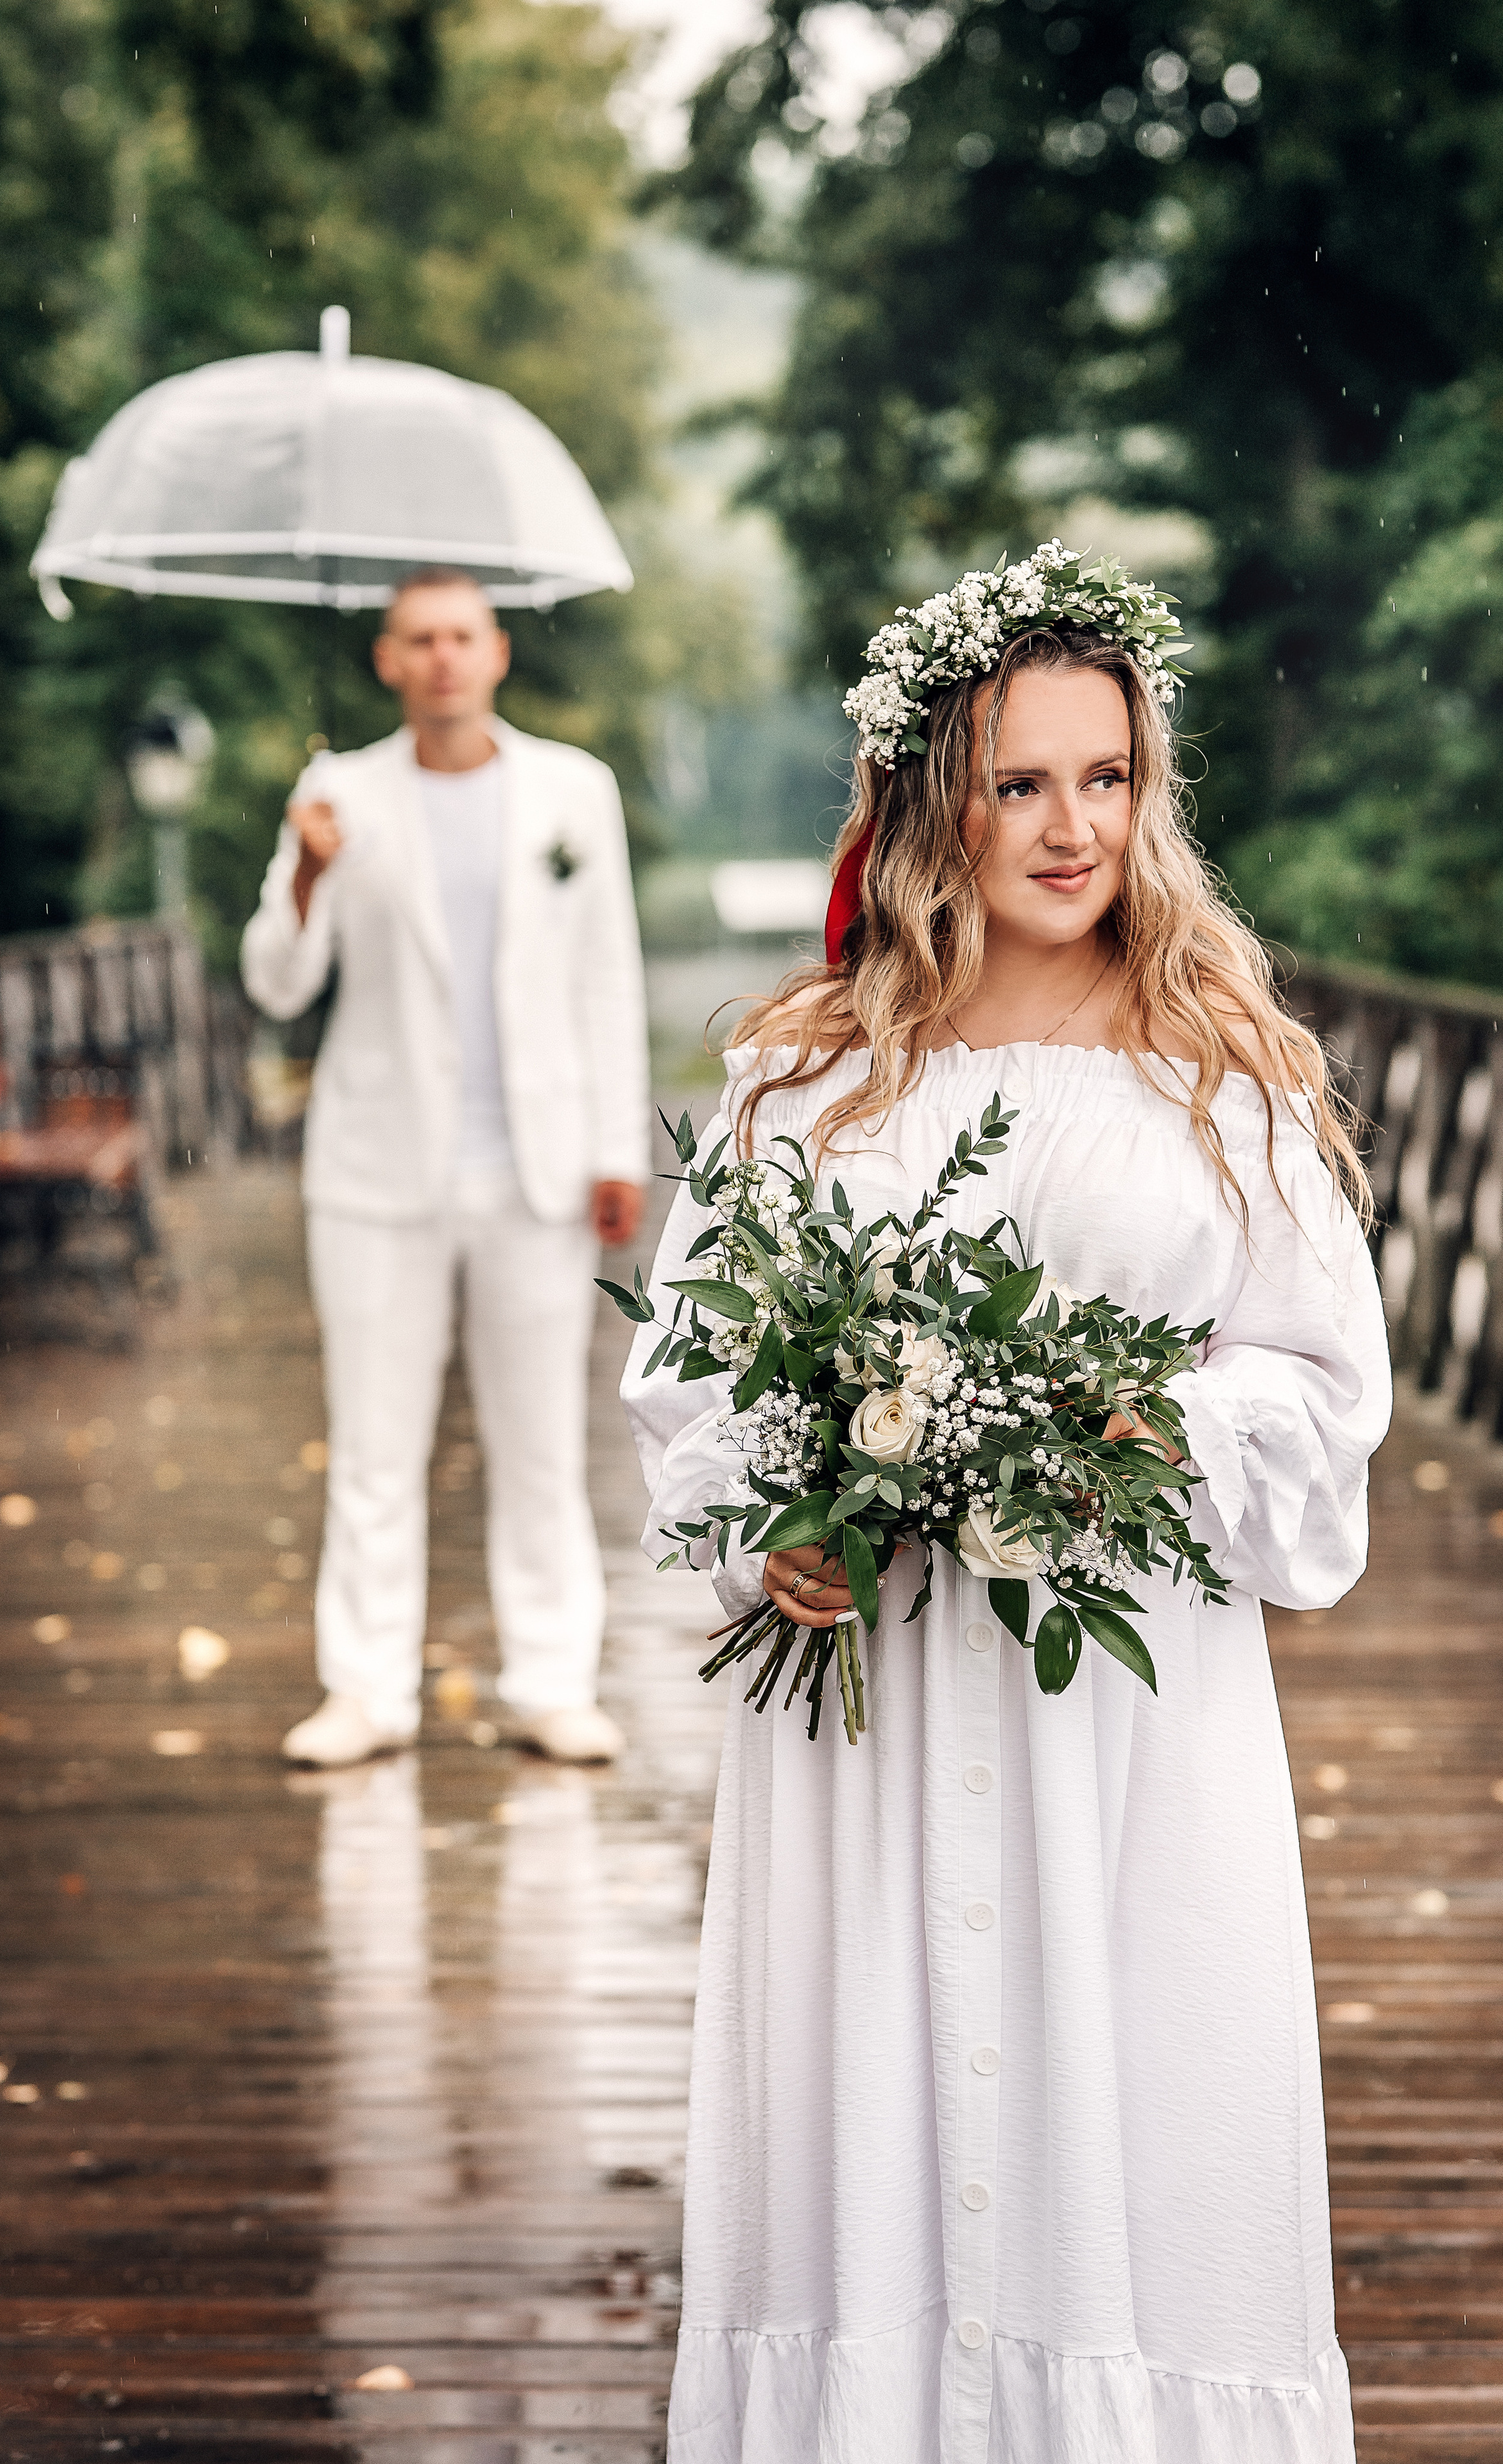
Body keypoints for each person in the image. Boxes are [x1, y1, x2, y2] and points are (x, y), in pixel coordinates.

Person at [623, 543, 1391, 2461]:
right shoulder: (802, 1082)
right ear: (928, 799)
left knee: (1139, 2101)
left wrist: (1148, 1427)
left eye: (1107, 778)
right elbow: (692, 1381)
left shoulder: (1229, 1077)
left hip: (1125, 1713)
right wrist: (774, 1510)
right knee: (876, 2101)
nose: (1071, 829)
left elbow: (1317, 1394)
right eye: (1022, 781)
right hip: (867, 1718)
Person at [243, 566, 648, 1768]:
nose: (442, 659)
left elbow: (605, 977)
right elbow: (275, 982)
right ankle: (364, 1689)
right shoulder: (336, 792)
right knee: (372, 1439)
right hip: (377, 1171)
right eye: (418, 639)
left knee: (539, 1440)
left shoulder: (575, 793)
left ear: (497, 653)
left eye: (462, 636)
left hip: (539, 1168)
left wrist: (617, 1148)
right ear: (386, 660)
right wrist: (308, 873)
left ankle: (551, 1679)